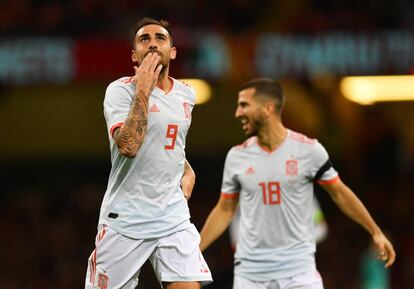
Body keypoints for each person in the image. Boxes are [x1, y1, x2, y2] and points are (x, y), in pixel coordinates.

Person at [199, 78, 395, 289]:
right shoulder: (238, 157)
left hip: (298, 274)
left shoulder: (308, 150)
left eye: (245, 105)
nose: (238, 113)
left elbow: (339, 192)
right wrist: (195, 251)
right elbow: (224, 209)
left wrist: (375, 231)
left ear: (268, 109)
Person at [84, 17, 212, 289]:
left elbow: (169, 141)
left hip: (172, 217)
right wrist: (143, 90)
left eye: (160, 38)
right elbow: (128, 145)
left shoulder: (186, 94)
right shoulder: (120, 90)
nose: (152, 44)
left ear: (172, 51)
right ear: (134, 54)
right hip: (126, 220)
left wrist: (185, 166)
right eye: (144, 39)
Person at [229, 197, 328, 251]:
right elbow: (236, 242)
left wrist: (296, 241)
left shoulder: (301, 191)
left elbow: (321, 228)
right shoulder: (246, 193)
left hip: (297, 264)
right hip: (258, 267)